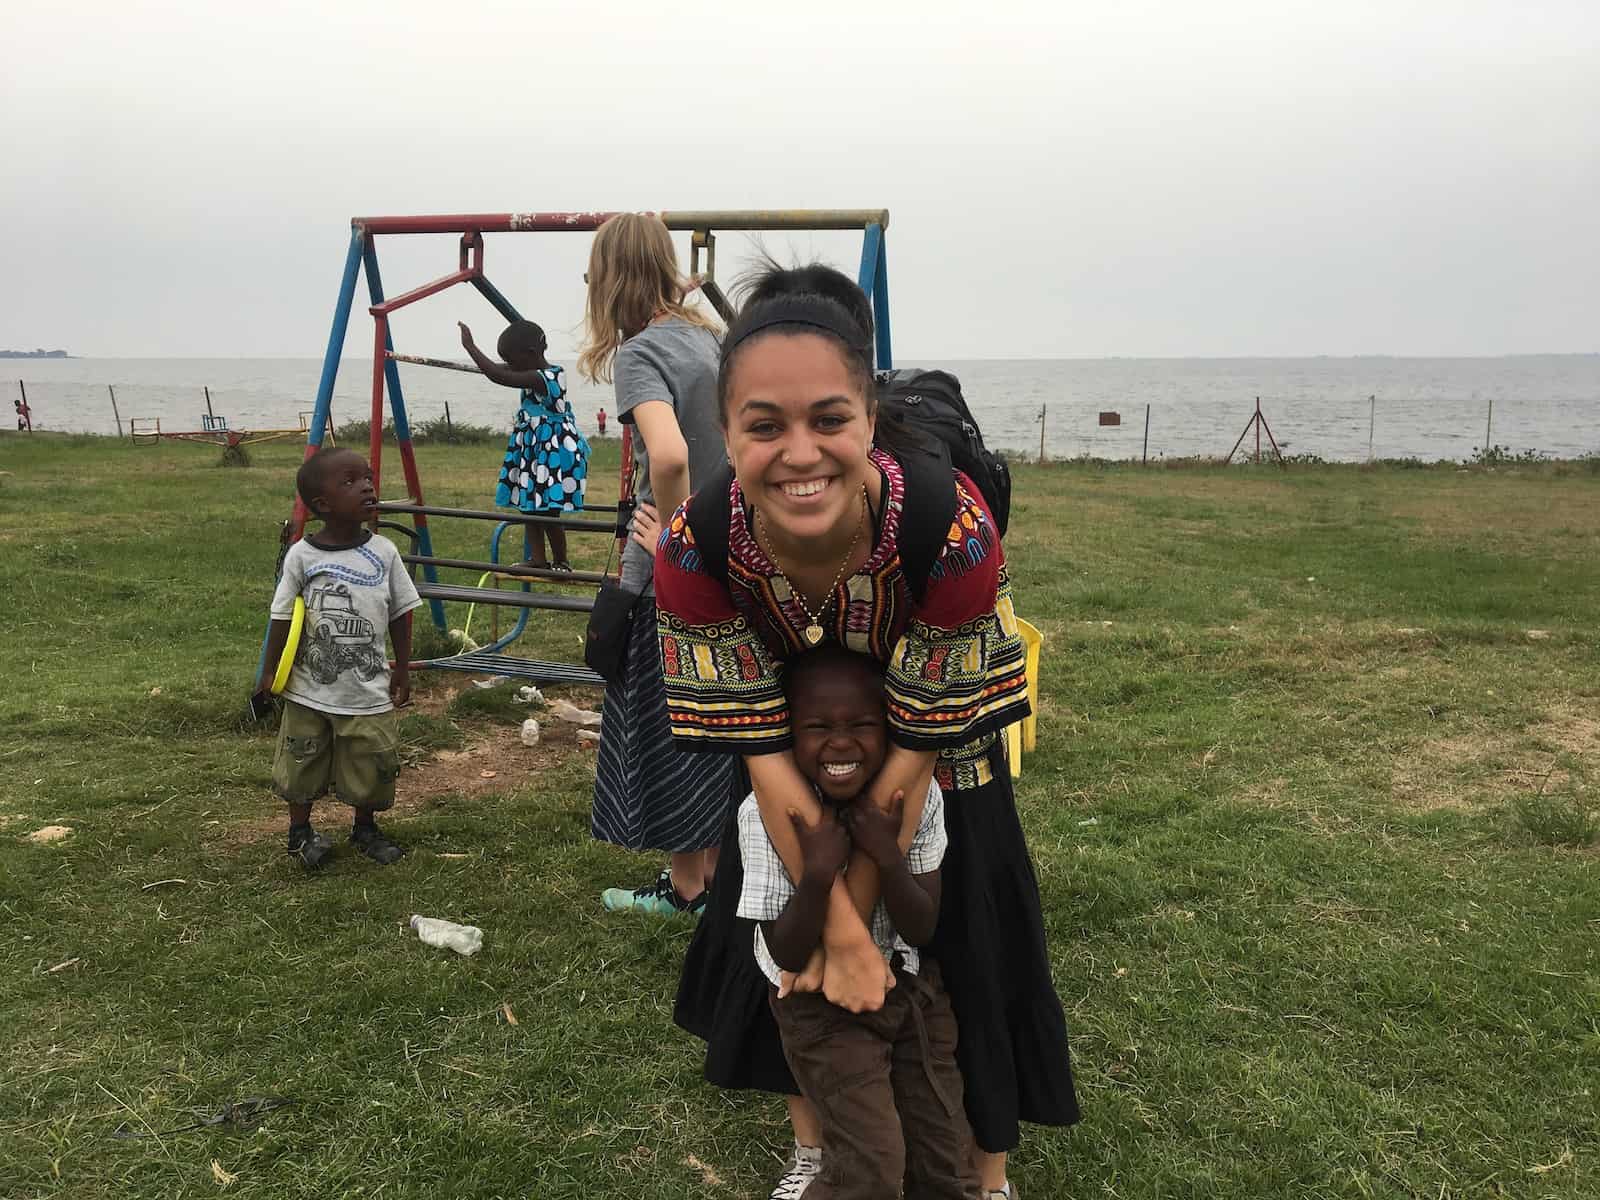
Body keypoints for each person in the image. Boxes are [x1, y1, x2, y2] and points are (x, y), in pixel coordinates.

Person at [647, 263, 1079, 1199]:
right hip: (792, 756)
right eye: (764, 426)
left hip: (938, 753)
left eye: (828, 419)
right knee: (785, 949)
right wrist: (838, 928)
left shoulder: (949, 530)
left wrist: (862, 926)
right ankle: (820, 1148)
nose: (800, 452)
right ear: (725, 431)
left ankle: (986, 1173)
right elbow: (758, 745)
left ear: (869, 417)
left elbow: (919, 748)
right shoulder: (693, 550)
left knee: (968, 945)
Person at [741, 645, 979, 1200]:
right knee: (870, 1166)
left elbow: (921, 927)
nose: (841, 742)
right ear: (788, 735)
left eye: (862, 725)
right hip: (818, 1010)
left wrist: (887, 855)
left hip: (912, 992)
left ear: (891, 727)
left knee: (944, 1155)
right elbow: (787, 954)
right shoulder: (768, 815)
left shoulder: (914, 802)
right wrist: (817, 872)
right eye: (817, 726)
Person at [577, 213, 740, 915]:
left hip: (676, 569)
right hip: (734, 554)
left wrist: (676, 537)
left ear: (610, 277)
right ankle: (708, 880)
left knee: (669, 722)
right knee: (713, 717)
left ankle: (682, 890)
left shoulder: (644, 353)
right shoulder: (710, 338)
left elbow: (669, 456)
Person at [255, 447, 422, 869]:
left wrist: (402, 666)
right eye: (350, 481)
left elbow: (402, 611)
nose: (367, 485)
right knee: (301, 759)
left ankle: (365, 827)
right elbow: (281, 616)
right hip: (308, 690)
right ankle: (299, 833)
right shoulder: (302, 556)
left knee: (372, 762)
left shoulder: (384, 552)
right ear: (323, 505)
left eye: (367, 477)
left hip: (367, 692)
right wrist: (269, 674)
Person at [462, 318, 589, 571]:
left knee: (550, 512)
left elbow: (499, 375)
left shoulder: (548, 377)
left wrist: (471, 348)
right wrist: (491, 364)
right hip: (534, 453)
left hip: (551, 454)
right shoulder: (530, 372)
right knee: (529, 507)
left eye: (512, 359)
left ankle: (562, 561)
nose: (511, 365)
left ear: (530, 354)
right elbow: (504, 370)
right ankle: (538, 560)